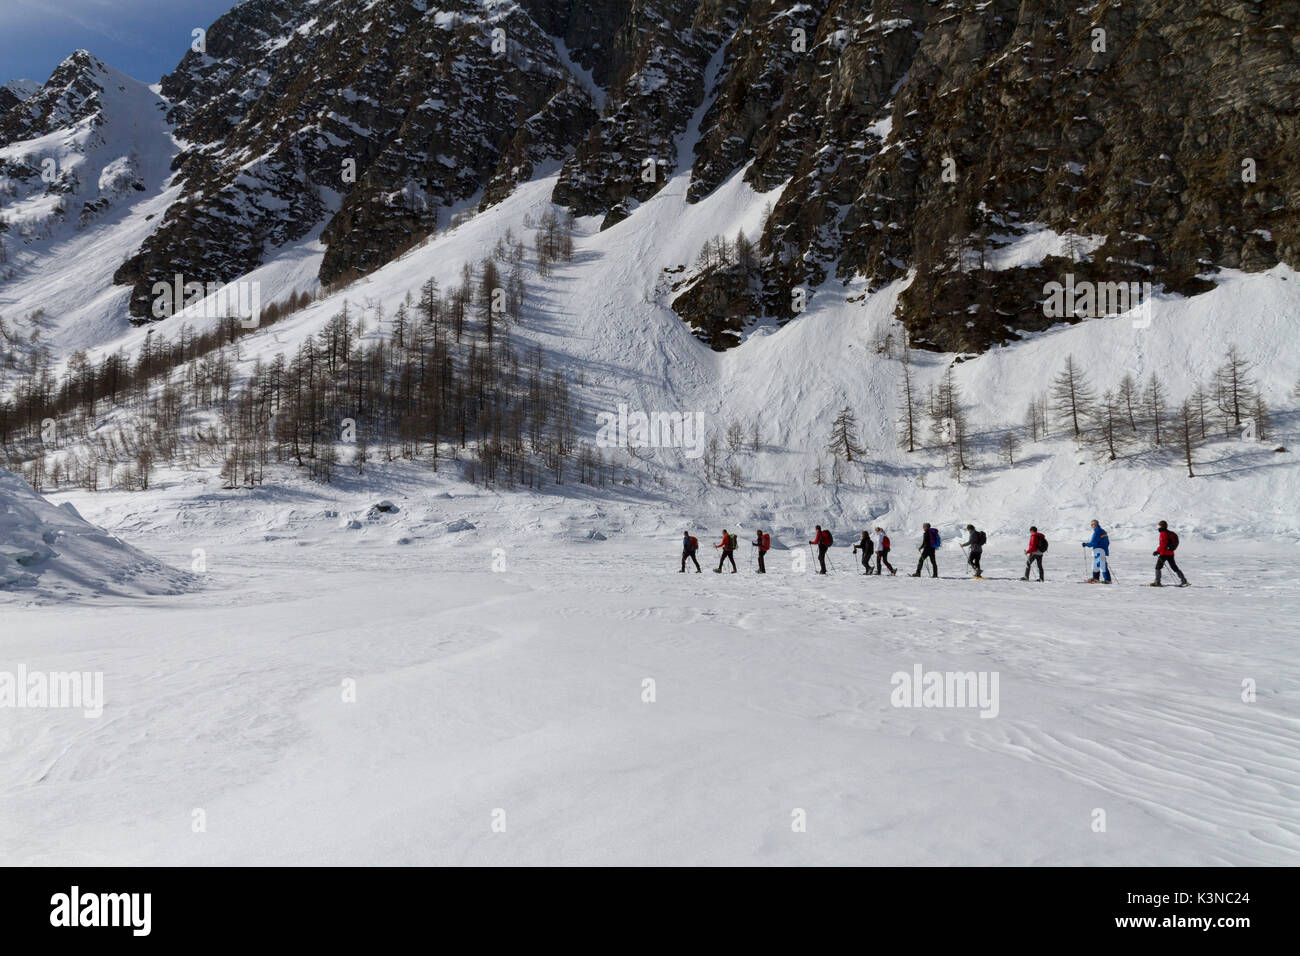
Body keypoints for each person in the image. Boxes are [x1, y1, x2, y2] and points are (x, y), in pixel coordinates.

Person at [1150, 520, 1189, 587]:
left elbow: (1163, 545)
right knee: (1174, 567)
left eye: (1159, 525)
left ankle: (1157, 582)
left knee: (1158, 567)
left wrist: (1157, 551)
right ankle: (1184, 580)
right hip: (1170, 553)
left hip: (1164, 553)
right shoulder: (1169, 533)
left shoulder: (1163, 533)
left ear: (1162, 526)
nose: (1158, 527)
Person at [1082, 519, 1111, 583]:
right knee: (1095, 565)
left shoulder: (1097, 532)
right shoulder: (1103, 531)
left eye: (1092, 525)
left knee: (1102, 565)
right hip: (1100, 551)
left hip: (1099, 551)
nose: (1092, 526)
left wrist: (1085, 544)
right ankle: (1095, 578)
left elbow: (1093, 543)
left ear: (1095, 524)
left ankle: (1108, 580)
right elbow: (1107, 542)